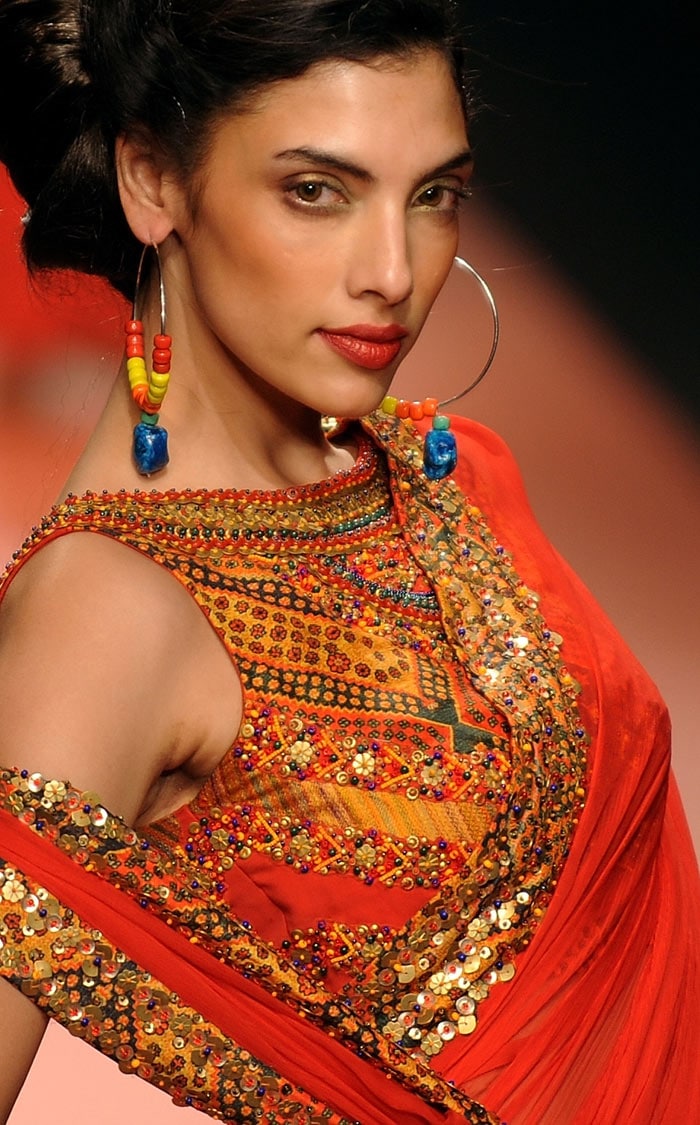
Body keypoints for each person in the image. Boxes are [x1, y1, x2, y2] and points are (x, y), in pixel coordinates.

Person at [0, 1, 697, 1122]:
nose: (393, 271)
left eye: (432, 197)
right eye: (315, 191)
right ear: (152, 181)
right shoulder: (112, 609)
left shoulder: (452, 473)